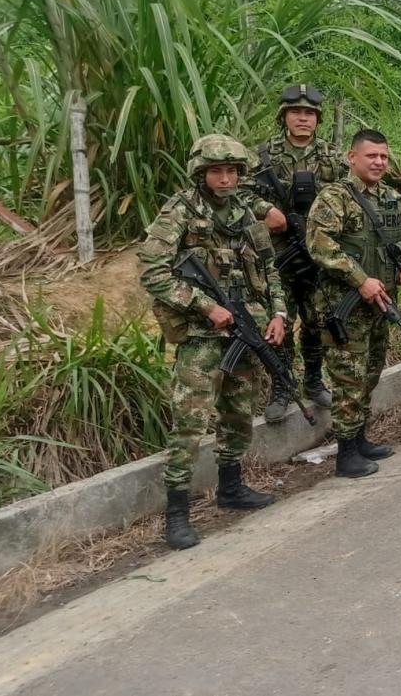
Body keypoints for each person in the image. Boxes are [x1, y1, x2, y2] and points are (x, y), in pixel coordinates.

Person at [138, 134, 287, 550]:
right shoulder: (181, 210)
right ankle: (177, 513)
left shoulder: (244, 211)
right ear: (201, 174)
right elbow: (152, 271)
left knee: (239, 412)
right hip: (202, 335)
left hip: (244, 328)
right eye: (217, 172)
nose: (225, 179)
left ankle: (231, 487)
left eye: (232, 172)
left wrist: (279, 313)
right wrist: (204, 306)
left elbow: (270, 268)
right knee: (190, 423)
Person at [305, 129, 401, 479]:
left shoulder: (392, 199)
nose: (379, 162)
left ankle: (359, 439)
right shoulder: (334, 198)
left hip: (381, 304)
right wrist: (360, 279)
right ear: (352, 157)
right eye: (372, 156)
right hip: (346, 307)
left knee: (370, 374)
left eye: (384, 156)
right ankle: (345, 453)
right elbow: (320, 245)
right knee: (348, 380)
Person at [242, 84, 346, 423]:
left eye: (310, 114)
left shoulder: (332, 156)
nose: (303, 119)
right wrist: (265, 209)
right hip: (277, 254)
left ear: (318, 119)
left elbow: (350, 193)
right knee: (280, 318)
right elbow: (237, 192)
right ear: (283, 116)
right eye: (296, 113)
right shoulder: (262, 156)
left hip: (318, 250)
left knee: (317, 318)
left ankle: (314, 380)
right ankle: (282, 385)